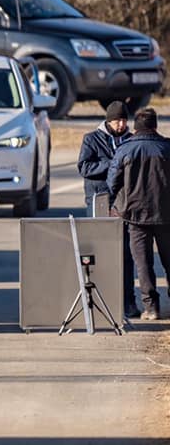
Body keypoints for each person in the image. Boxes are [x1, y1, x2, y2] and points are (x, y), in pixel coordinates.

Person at [107, 108, 170, 321]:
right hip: (166, 214)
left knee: (143, 264)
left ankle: (151, 308)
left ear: (135, 128)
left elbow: (112, 181)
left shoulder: (125, 150)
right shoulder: (167, 147)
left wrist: (115, 204)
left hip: (135, 216)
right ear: (155, 126)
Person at [78, 101, 137, 317]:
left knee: (126, 253)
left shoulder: (132, 140)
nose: (120, 124)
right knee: (98, 252)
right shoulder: (92, 139)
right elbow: (84, 167)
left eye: (123, 120)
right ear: (108, 120)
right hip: (98, 200)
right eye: (116, 120)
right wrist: (113, 163)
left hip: (124, 202)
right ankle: (98, 301)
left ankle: (128, 301)